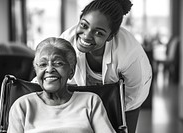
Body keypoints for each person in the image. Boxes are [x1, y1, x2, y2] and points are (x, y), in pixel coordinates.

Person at [59, 0, 152, 132]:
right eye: (84, 25)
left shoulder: (129, 54)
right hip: (83, 97)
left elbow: (133, 97)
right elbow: (52, 72)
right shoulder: (66, 42)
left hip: (128, 99)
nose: (87, 35)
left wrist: (112, 115)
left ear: (110, 37)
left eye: (99, 33)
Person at [7, 37, 116, 133]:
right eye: (43, 64)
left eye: (58, 63)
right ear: (36, 72)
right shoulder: (22, 106)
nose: (49, 69)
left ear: (71, 72)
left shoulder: (91, 101)